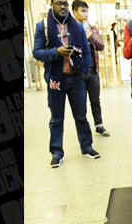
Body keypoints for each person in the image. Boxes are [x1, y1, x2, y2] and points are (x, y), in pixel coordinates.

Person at [33, 0, 100, 168]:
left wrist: (84, 72)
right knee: (56, 119)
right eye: (58, 3)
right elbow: (37, 52)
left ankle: (87, 147)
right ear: (51, 4)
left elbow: (85, 51)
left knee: (81, 116)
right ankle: (56, 153)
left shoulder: (76, 27)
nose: (62, 7)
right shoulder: (43, 27)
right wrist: (56, 52)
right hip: (56, 80)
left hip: (76, 78)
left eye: (65, 3)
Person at [72, 0, 110, 137]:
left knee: (95, 100)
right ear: (74, 12)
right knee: (80, 103)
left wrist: (91, 36)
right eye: (82, 11)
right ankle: (83, 132)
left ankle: (99, 125)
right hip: (78, 73)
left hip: (93, 71)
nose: (85, 14)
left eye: (86, 11)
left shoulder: (92, 29)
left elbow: (101, 46)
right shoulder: (70, 30)